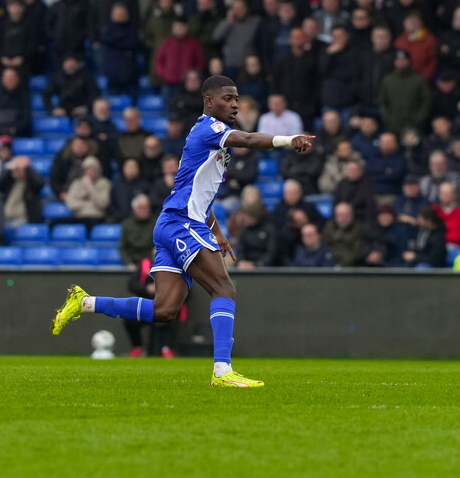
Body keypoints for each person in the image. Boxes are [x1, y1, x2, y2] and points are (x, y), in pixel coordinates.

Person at [51, 76, 314, 388]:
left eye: (236, 99)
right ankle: (222, 371)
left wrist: (215, 230)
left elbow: (199, 193)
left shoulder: (209, 138)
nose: (234, 104)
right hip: (182, 223)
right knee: (224, 290)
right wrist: (288, 139)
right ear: (209, 101)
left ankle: (84, 302)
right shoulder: (209, 128)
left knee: (164, 310)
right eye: (227, 98)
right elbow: (248, 139)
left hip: (174, 222)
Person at [377, 50, 431, 132]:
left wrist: (418, 118)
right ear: (394, 62)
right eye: (398, 60)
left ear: (408, 61)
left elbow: (426, 101)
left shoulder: (419, 79)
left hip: (413, 124)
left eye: (403, 60)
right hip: (392, 124)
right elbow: (382, 102)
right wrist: (388, 118)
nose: (401, 62)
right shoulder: (387, 80)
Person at [46, 0, 89, 66]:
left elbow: (88, 23)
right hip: (59, 49)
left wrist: (81, 37)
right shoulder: (56, 6)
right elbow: (48, 24)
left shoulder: (84, 4)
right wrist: (54, 38)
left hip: (78, 48)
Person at [0, 68, 32, 142]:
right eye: (7, 78)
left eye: (12, 78)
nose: (10, 80)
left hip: (17, 134)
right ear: (2, 80)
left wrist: (11, 130)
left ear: (18, 79)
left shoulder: (24, 97)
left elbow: (25, 119)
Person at [0, 156, 45, 226]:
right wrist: (10, 169)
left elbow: (40, 183)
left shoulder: (31, 184)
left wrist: (27, 167)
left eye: (21, 169)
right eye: (17, 169)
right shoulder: (11, 182)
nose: (19, 172)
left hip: (23, 219)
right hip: (5, 218)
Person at [66, 157, 112, 229]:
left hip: (97, 217)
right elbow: (71, 204)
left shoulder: (105, 183)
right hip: (80, 217)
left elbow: (103, 204)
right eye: (87, 169)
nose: (90, 172)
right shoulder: (77, 183)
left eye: (93, 170)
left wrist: (91, 188)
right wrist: (89, 204)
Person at [120, 195, 157, 266]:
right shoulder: (127, 224)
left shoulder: (156, 223)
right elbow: (123, 248)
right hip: (134, 262)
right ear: (134, 209)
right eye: (141, 208)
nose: (144, 210)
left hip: (151, 263)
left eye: (146, 207)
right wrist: (129, 263)